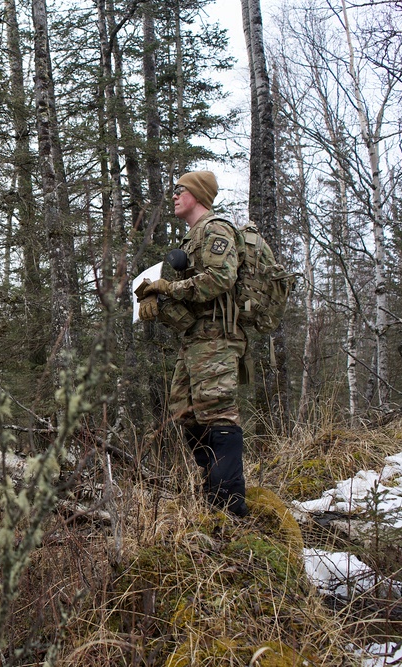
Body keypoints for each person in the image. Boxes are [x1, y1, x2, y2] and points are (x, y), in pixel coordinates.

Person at [137, 170, 249, 517]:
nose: (174, 196)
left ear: (197, 195)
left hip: (216, 341)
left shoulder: (216, 229)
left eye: (179, 190)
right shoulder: (193, 237)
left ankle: (230, 508)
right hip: (195, 343)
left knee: (219, 417)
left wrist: (169, 289)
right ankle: (212, 497)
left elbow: (220, 279)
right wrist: (161, 303)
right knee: (187, 416)